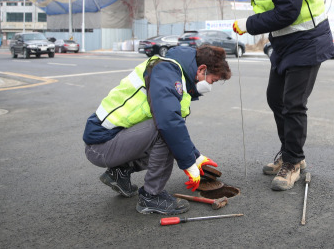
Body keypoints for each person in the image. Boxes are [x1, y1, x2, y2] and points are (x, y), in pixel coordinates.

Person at [215, 0, 334, 191]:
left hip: (307, 39)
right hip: (284, 43)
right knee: (275, 98)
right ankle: (291, 154)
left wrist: (248, 24)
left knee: (293, 103)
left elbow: (287, 11)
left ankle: (293, 163)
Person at [83, 45, 231, 215]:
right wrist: (189, 164)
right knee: (165, 132)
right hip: (101, 146)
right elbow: (169, 124)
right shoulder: (166, 72)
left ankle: (120, 172)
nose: (210, 86)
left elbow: (176, 126)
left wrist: (195, 156)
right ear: (201, 69)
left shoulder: (175, 73)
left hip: (111, 141)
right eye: (212, 80)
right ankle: (151, 196)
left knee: (170, 133)